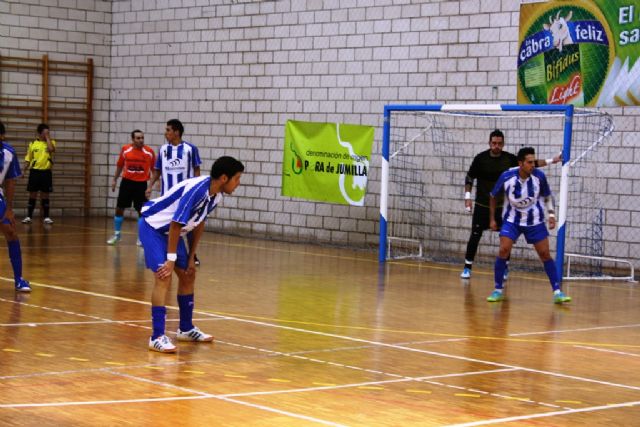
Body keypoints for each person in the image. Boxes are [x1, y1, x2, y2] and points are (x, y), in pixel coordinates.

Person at [140, 156, 244, 353]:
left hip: (174, 233)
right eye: (236, 178)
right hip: (153, 227)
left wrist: (191, 256)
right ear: (224, 178)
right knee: (164, 276)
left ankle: (186, 329)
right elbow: (175, 223)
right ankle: (156, 337)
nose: (238, 184)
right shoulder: (197, 190)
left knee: (189, 274)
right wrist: (170, 261)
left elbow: (198, 222)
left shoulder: (216, 195)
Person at [460, 129, 561, 279]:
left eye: (499, 143)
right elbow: (469, 178)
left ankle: (505, 268)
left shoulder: (509, 159)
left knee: (506, 242)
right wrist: (467, 197)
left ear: (503, 144)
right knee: (475, 236)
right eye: (494, 143)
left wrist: (553, 160)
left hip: (502, 208)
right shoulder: (480, 159)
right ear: (489, 143)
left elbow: (532, 164)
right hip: (482, 205)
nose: (496, 146)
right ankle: (467, 267)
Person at [486, 147, 571, 304]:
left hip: (535, 221)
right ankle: (497, 290)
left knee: (545, 254)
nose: (533, 165)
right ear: (521, 163)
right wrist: (492, 219)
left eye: (534, 162)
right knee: (503, 250)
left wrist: (551, 215)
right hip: (512, 220)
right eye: (529, 162)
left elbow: (547, 196)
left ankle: (557, 292)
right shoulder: (507, 176)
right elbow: (492, 196)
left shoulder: (539, 177)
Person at [148, 119, 203, 264]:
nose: (165, 133)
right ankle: (169, 254)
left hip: (186, 196)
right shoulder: (163, 150)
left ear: (176, 132)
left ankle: (192, 255)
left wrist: (197, 190)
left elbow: (197, 169)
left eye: (168, 130)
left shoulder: (190, 149)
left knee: (190, 225)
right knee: (169, 225)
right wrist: (150, 186)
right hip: (167, 197)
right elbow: (157, 170)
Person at [107, 130, 155, 245]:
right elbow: (119, 165)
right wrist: (114, 179)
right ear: (133, 139)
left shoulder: (149, 152)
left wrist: (153, 184)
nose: (141, 140)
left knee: (141, 211)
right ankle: (117, 235)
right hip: (127, 183)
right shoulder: (125, 150)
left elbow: (154, 169)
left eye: (142, 138)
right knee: (119, 208)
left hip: (141, 184)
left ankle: (141, 238)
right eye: (138, 138)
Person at [0, 122, 31, 292]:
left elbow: (11, 181)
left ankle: (19, 279)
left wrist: (10, 209)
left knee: (11, 232)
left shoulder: (8, 153)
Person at [22, 123, 56, 225]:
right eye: (45, 132)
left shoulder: (52, 142)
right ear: (39, 133)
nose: (47, 134)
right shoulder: (32, 144)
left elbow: (51, 150)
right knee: (33, 194)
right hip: (35, 172)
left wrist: (47, 138)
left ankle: (46, 217)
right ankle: (29, 216)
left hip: (46, 172)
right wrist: (23, 171)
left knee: (45, 195)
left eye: (48, 132)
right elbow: (28, 159)